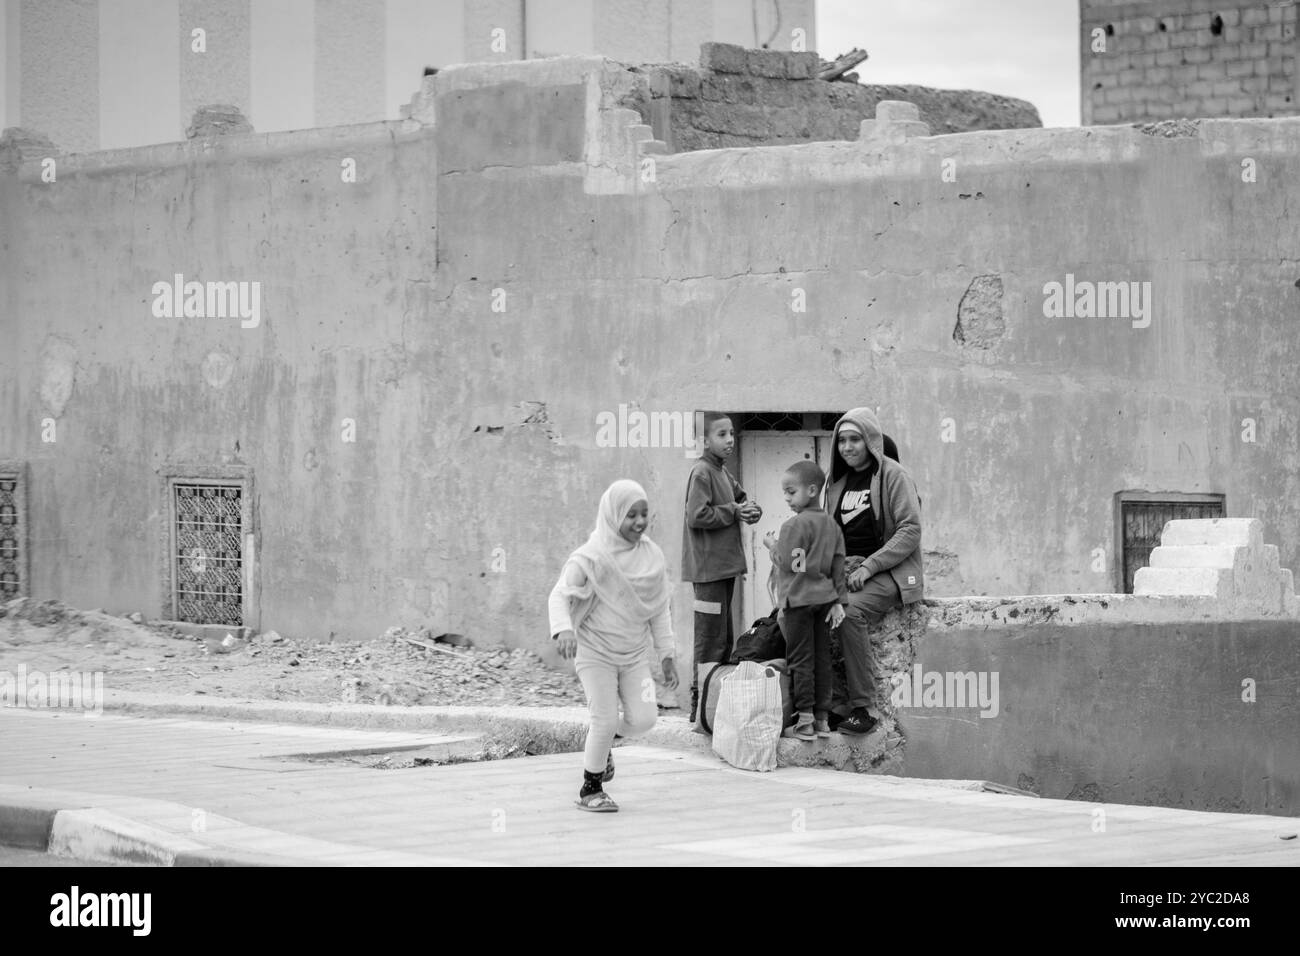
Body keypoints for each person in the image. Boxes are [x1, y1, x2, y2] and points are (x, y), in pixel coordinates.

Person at [549, 480, 680, 812]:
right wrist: (564, 629)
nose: (639, 522)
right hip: (594, 654)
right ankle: (590, 789)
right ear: (612, 516)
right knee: (604, 719)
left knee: (646, 719)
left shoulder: (652, 556)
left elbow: (659, 609)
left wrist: (666, 654)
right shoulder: (591, 557)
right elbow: (559, 595)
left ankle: (605, 743)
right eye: (630, 515)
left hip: (634, 656)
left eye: (644, 514)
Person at [824, 408, 923, 735]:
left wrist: (868, 566)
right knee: (806, 609)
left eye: (855, 440)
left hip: (890, 572)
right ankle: (829, 705)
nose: (848, 447)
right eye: (842, 441)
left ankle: (864, 708)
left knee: (849, 612)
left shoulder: (893, 475)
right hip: (849, 571)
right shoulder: (835, 483)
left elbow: (909, 530)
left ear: (870, 441)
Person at [681, 411, 761, 722]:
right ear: (703, 441)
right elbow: (696, 516)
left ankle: (714, 703)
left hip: (724, 568)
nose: (730, 440)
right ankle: (698, 704)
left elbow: (741, 499)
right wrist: (733, 511)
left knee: (725, 639)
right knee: (709, 639)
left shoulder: (721, 471)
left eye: (731, 433)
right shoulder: (701, 472)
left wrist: (751, 509)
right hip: (708, 570)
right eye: (722, 435)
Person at [762, 460, 847, 741]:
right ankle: (823, 720)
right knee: (822, 658)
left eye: (790, 491)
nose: (786, 498)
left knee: (801, 659)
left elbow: (790, 564)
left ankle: (805, 720)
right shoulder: (831, 525)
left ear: (812, 490)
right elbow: (838, 565)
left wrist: (773, 547)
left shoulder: (793, 526)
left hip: (798, 601)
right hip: (823, 601)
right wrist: (838, 602)